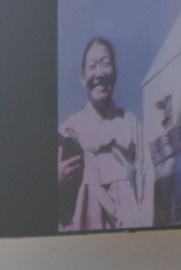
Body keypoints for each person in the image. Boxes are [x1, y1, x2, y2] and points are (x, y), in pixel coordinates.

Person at [58, 37, 153, 231]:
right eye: (92, 67)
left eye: (106, 64)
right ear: (82, 77)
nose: (99, 73)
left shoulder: (130, 123)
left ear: (115, 73)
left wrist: (145, 229)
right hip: (82, 216)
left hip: (126, 218)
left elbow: (147, 178)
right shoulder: (67, 128)